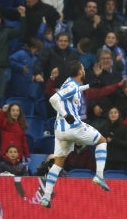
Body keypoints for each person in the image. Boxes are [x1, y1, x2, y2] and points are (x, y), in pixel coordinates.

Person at [41, 60, 110, 207]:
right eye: (83, 68)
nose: (84, 70)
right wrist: (66, 115)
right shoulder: (72, 86)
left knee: (58, 163)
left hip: (60, 131)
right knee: (102, 141)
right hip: (73, 127)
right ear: (79, 72)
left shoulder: (69, 83)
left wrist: (89, 86)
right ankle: (99, 175)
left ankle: (46, 197)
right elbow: (53, 99)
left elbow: (73, 90)